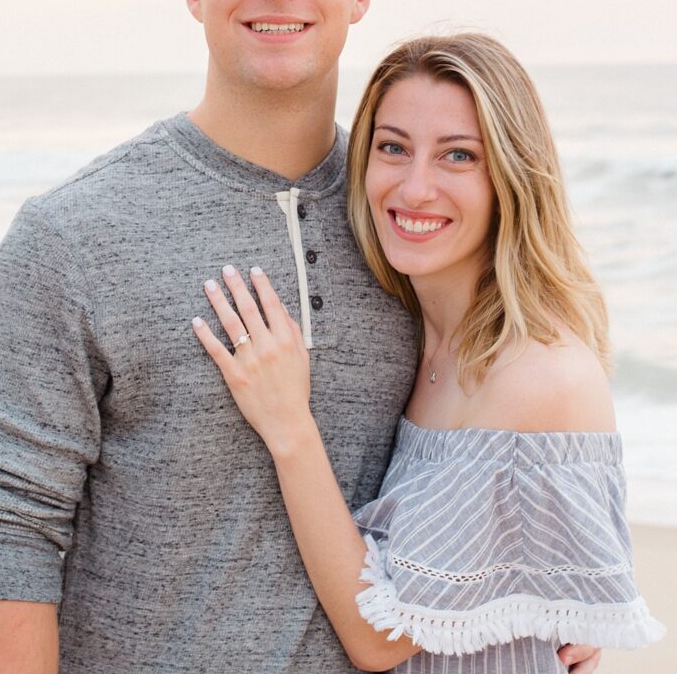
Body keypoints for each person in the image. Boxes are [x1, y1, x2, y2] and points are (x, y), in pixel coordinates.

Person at [0, 0, 601, 674]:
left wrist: (539, 592)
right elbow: (12, 528)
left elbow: (500, 416)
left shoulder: (410, 230)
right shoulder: (71, 238)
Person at [191, 34, 665, 673]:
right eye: (393, 147)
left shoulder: (537, 375)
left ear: (511, 177)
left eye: (458, 156)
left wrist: (288, 427)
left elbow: (379, 639)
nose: (415, 189)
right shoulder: (416, 338)